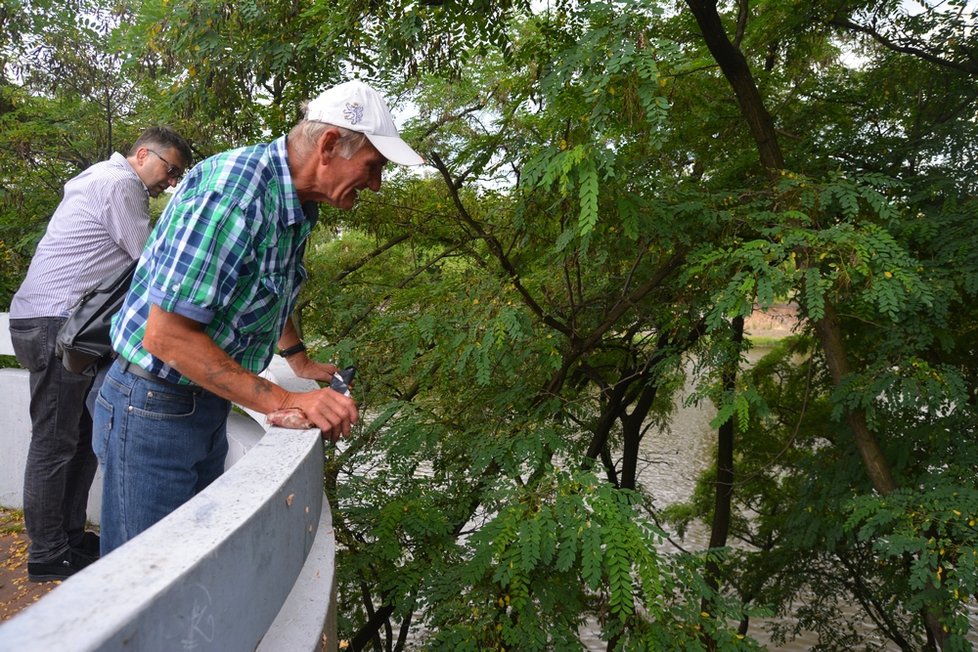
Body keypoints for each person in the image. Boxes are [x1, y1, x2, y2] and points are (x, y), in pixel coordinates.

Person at [93, 80, 424, 555]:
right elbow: (166, 337)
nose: (375, 183)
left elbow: (265, 287)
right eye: (372, 166)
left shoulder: (294, 202)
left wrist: (298, 358)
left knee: (188, 560)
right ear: (329, 146)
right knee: (140, 574)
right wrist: (286, 399)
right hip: (152, 404)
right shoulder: (237, 194)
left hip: (201, 399)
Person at [8, 127, 193, 581]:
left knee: (83, 438)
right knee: (55, 444)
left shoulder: (101, 178)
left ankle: (69, 537)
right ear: (143, 154)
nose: (169, 182)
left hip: (65, 326)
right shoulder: (121, 184)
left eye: (177, 176)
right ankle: (48, 553)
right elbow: (152, 260)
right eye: (170, 170)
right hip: (57, 325)